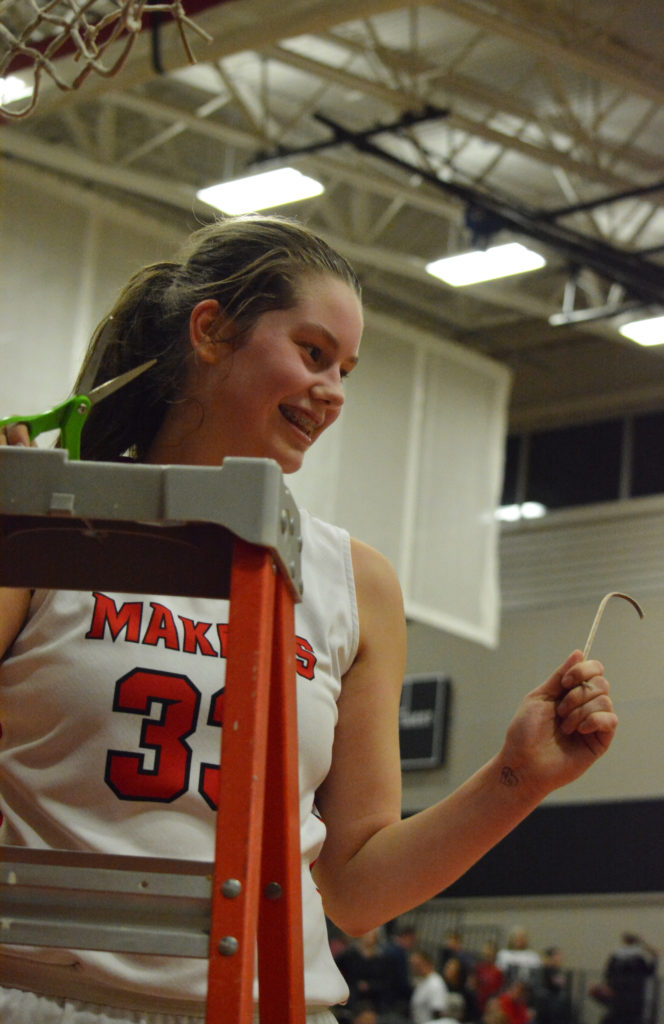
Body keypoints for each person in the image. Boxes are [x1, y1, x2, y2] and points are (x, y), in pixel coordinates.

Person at [0, 214, 619, 1024]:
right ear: (212, 331)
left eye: (346, 370)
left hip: (270, 1003)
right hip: (45, 994)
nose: (332, 391)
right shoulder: (45, 517)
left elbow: (358, 888)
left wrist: (516, 779)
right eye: (313, 352)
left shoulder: (353, 582)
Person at [595, 932, 658, 1024]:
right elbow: (649, 972)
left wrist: (607, 986)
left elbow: (608, 974)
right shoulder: (638, 959)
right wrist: (654, 958)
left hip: (617, 995)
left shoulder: (615, 957)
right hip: (634, 997)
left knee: (615, 1016)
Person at [410, 950, 450, 1023]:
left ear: (426, 964)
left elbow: (438, 1012)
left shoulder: (435, 983)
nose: (413, 968)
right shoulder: (423, 981)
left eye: (416, 965)